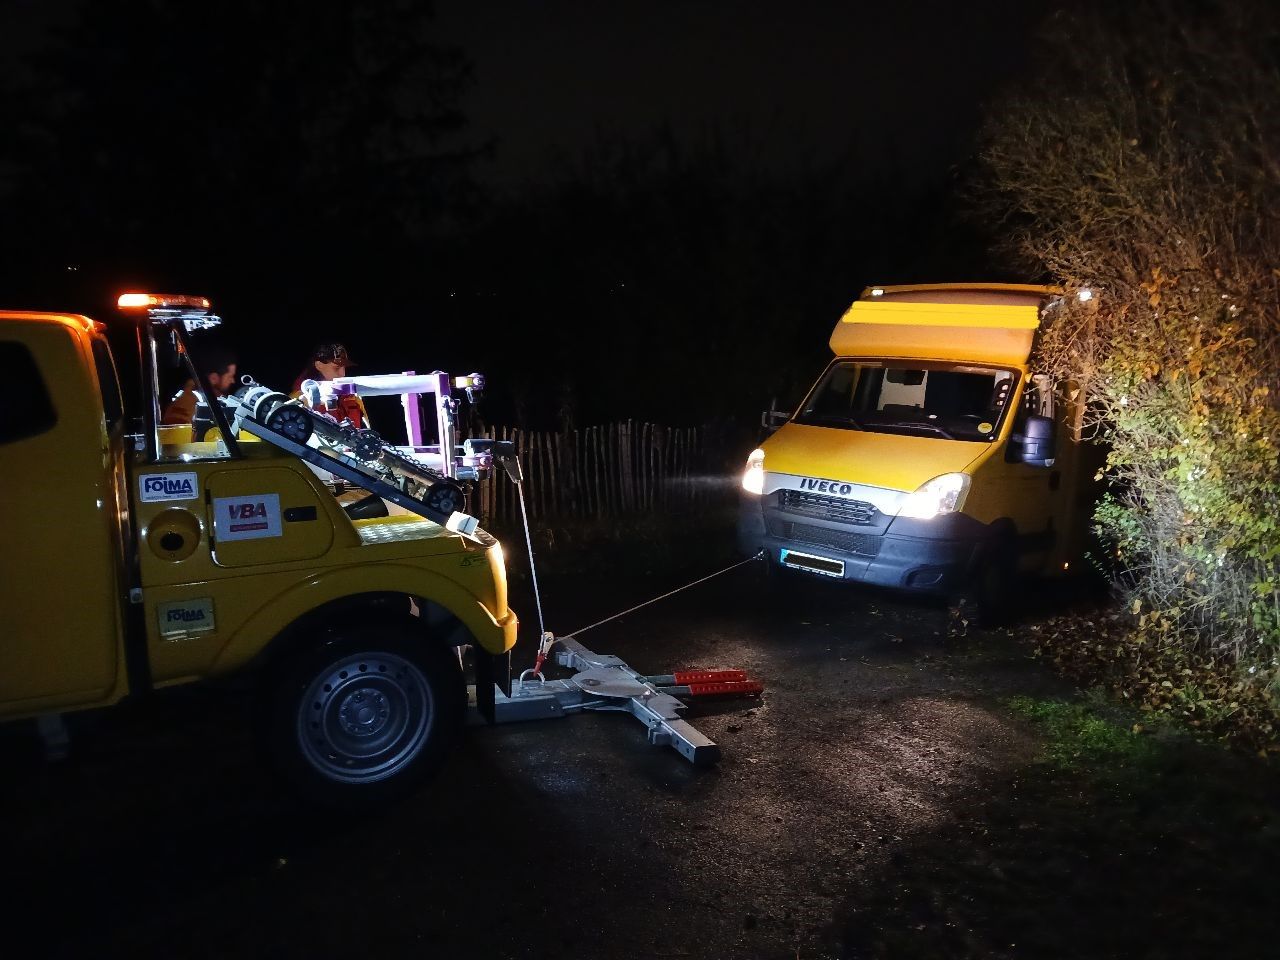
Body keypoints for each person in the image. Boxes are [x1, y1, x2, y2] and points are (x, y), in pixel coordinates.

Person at [161, 343, 237, 425]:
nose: (233, 381)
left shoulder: (206, 400)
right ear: (213, 378)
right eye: (230, 376)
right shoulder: (186, 403)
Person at [291, 343, 355, 394]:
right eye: (336, 368)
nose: (343, 374)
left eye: (344, 367)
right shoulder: (300, 398)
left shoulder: (350, 394)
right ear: (319, 365)